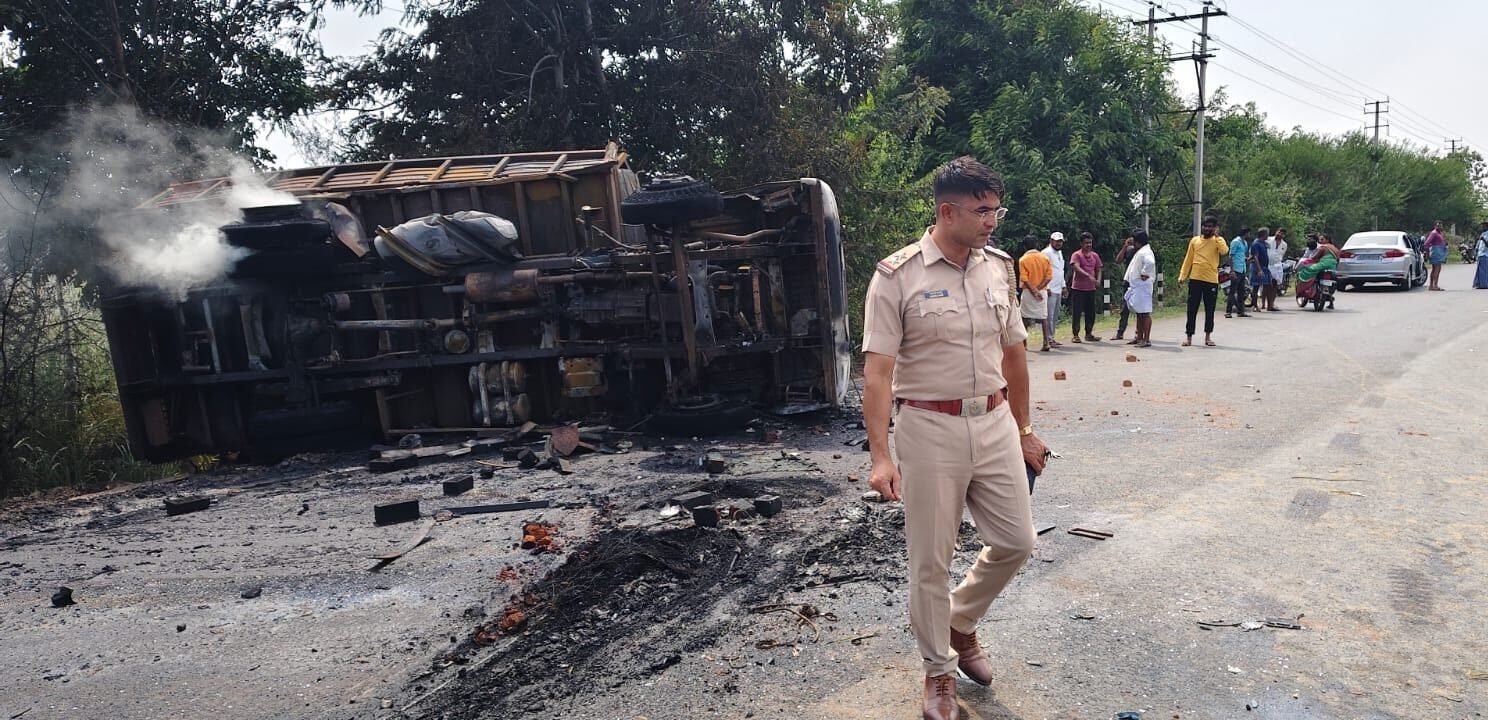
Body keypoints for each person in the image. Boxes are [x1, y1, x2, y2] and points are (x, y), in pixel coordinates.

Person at [861, 156, 1046, 720]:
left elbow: (1014, 354)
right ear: (947, 211)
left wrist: (1025, 430)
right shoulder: (898, 276)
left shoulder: (999, 269)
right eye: (982, 210)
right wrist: (881, 456)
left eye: (997, 210)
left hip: (993, 421)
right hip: (928, 427)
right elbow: (877, 373)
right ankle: (938, 672)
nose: (993, 221)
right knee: (931, 561)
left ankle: (960, 621)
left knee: (1017, 541)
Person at [1178, 215, 1229, 347]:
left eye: (1210, 226)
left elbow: (1224, 251)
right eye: (1205, 226)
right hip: (1195, 278)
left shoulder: (1217, 240)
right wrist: (1183, 275)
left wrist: (1218, 237)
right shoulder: (1195, 241)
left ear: (1215, 228)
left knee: (1209, 309)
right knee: (1192, 309)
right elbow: (1188, 259)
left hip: (1211, 280)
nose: (1207, 228)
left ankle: (1208, 336)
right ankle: (1189, 337)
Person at [1018, 235, 1054, 351]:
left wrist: (1033, 291)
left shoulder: (1023, 259)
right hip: (1042, 291)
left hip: (1028, 291)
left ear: (1025, 247)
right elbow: (1049, 277)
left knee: (1024, 317)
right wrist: (1038, 289)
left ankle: (1024, 344)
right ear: (1037, 245)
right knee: (1043, 317)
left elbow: (1024, 278)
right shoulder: (1045, 258)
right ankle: (1046, 342)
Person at [1123, 230, 1157, 347]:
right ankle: (1139, 337)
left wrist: (1144, 273)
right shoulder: (1142, 251)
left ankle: (1146, 339)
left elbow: (1150, 263)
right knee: (1139, 313)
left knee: (1145, 313)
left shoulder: (1145, 252)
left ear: (1138, 242)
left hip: (1143, 286)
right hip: (1137, 286)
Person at [1068, 232, 1103, 343]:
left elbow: (1099, 268)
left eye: (1090, 243)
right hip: (1078, 288)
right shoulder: (1076, 255)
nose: (1088, 245)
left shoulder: (1095, 256)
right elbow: (1076, 267)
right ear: (1081, 244)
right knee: (1077, 312)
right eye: (1086, 243)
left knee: (1091, 312)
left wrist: (1098, 280)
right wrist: (1088, 275)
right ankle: (1075, 334)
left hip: (1091, 288)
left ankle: (1089, 333)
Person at [1041, 232, 1066, 347]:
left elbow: (1060, 270)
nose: (1059, 243)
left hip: (1058, 288)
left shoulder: (1059, 253)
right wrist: (1046, 287)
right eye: (1057, 241)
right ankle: (1048, 339)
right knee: (1049, 316)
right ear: (1051, 241)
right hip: (1050, 288)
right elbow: (1043, 271)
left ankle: (1052, 337)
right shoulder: (1046, 253)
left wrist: (1063, 286)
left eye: (1060, 241)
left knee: (1055, 316)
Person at [1227, 226, 1251, 318]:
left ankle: (1241, 311)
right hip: (1236, 269)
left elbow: (1241, 255)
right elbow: (1231, 256)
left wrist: (1247, 259)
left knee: (1241, 291)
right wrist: (1232, 270)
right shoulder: (1235, 242)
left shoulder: (1245, 243)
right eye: (1248, 233)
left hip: (1242, 268)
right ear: (1245, 233)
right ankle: (1228, 311)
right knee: (1232, 291)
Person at [1265, 228, 1288, 311]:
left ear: (1284, 235)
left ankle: (1271, 304)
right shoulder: (1268, 240)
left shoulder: (1284, 244)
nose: (1280, 234)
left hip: (1277, 266)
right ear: (1276, 232)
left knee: (1275, 285)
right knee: (1268, 285)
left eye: (1282, 233)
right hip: (1267, 264)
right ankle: (1267, 304)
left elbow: (1281, 255)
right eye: (1279, 232)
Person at [1248, 227, 1271, 309]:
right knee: (1256, 287)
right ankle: (1255, 305)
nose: (1268, 236)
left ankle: (1265, 304)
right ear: (1263, 234)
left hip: (1264, 267)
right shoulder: (1256, 244)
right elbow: (1255, 257)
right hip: (1257, 267)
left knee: (1267, 284)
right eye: (1267, 234)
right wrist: (1259, 269)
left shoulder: (1263, 243)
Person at [1424, 221, 1447, 291]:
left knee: (1435, 269)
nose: (1439, 227)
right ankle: (1435, 285)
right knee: (1437, 269)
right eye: (1438, 226)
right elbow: (1426, 243)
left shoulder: (1439, 233)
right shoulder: (1434, 233)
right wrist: (1427, 253)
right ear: (1435, 226)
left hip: (1439, 252)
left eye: (1440, 226)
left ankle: (1432, 285)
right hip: (1436, 252)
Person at [1474, 222, 1488, 289]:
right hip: (1480, 254)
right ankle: (1479, 284)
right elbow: (1479, 243)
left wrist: (1483, 239)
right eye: (1482, 226)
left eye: (1483, 226)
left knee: (1484, 271)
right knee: (1479, 270)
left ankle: (1484, 285)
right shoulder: (1482, 234)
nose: (1482, 228)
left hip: (1485, 254)